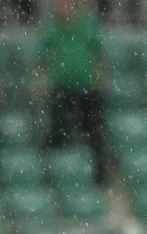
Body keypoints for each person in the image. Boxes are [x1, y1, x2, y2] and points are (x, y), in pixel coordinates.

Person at [37, 0, 110, 187]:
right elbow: (43, 59)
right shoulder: (52, 28)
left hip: (88, 89)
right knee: (57, 134)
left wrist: (100, 78)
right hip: (62, 90)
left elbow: (100, 55)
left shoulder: (89, 25)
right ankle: (54, 177)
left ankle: (100, 179)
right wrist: (40, 82)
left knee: (95, 134)